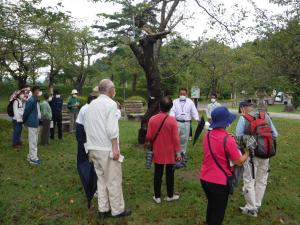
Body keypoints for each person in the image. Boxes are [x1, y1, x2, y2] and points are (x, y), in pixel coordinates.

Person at [85, 79, 132, 219]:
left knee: (101, 179)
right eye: (114, 88)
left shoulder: (91, 104)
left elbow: (92, 124)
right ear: (110, 90)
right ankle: (117, 210)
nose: (115, 91)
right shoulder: (110, 104)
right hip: (106, 148)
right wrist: (115, 148)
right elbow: (112, 128)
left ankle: (103, 209)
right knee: (113, 180)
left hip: (93, 147)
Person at [200, 106, 250, 225]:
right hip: (219, 183)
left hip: (205, 178)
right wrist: (247, 152)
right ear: (226, 122)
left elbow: (217, 148)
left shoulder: (207, 135)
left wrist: (228, 137)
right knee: (218, 214)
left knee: (212, 205)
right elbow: (238, 161)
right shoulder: (228, 140)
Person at [236, 100, 278, 217]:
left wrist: (247, 146)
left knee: (249, 180)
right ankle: (257, 204)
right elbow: (275, 134)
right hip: (266, 154)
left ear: (244, 108)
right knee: (261, 180)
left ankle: (251, 208)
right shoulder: (266, 117)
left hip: (251, 155)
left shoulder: (243, 118)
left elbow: (238, 137)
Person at [146, 96, 181, 204]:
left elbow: (149, 137)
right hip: (170, 152)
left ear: (159, 106)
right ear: (171, 107)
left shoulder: (152, 119)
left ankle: (157, 197)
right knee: (170, 174)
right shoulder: (172, 121)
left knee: (158, 174)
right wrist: (178, 152)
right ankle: (170, 195)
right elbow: (176, 138)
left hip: (158, 151)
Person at [170, 88, 199, 159]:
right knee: (175, 138)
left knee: (184, 139)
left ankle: (183, 153)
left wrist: (197, 119)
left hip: (186, 123)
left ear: (186, 94)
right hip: (177, 122)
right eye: (181, 94)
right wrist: (171, 118)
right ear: (178, 94)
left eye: (184, 94)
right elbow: (172, 111)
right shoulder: (175, 101)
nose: (182, 95)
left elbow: (194, 111)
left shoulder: (190, 102)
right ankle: (176, 153)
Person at [23, 86, 42, 165]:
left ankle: (30, 156)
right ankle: (33, 159)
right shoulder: (31, 100)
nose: (39, 92)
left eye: (39, 90)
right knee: (33, 141)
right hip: (32, 123)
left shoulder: (36, 100)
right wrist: (24, 121)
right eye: (37, 90)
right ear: (34, 91)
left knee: (34, 141)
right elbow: (26, 111)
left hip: (36, 123)